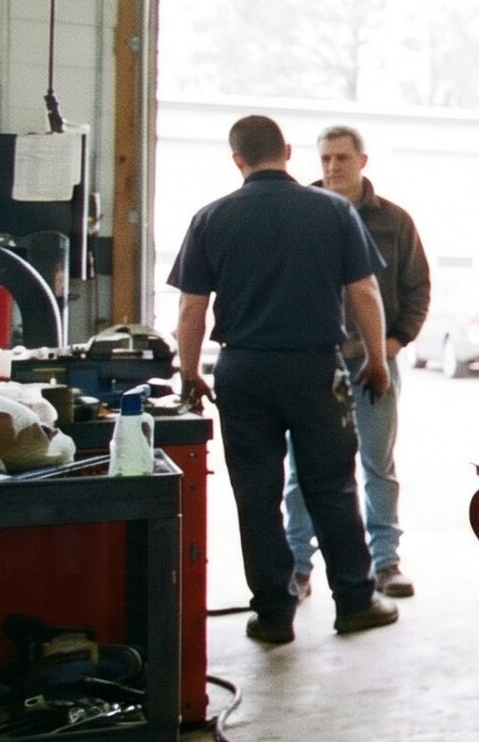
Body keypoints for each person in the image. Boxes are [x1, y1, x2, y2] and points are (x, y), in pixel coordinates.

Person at [170, 114, 398, 644]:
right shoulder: (334, 211)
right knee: (332, 487)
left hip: (243, 372)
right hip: (314, 368)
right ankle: (355, 601)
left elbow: (190, 308)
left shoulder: (211, 217)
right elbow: (364, 292)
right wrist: (377, 361)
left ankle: (273, 614)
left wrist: (187, 372)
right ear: (288, 151)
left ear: (238, 160)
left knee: (256, 492)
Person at [284, 124, 430, 599]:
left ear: (362, 162)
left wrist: (394, 342)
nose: (331, 168)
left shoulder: (394, 222)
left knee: (377, 464)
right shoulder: (299, 213)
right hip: (313, 365)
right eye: (324, 159)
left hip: (372, 365)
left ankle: (386, 563)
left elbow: (417, 287)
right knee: (301, 468)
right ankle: (298, 567)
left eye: (341, 159)